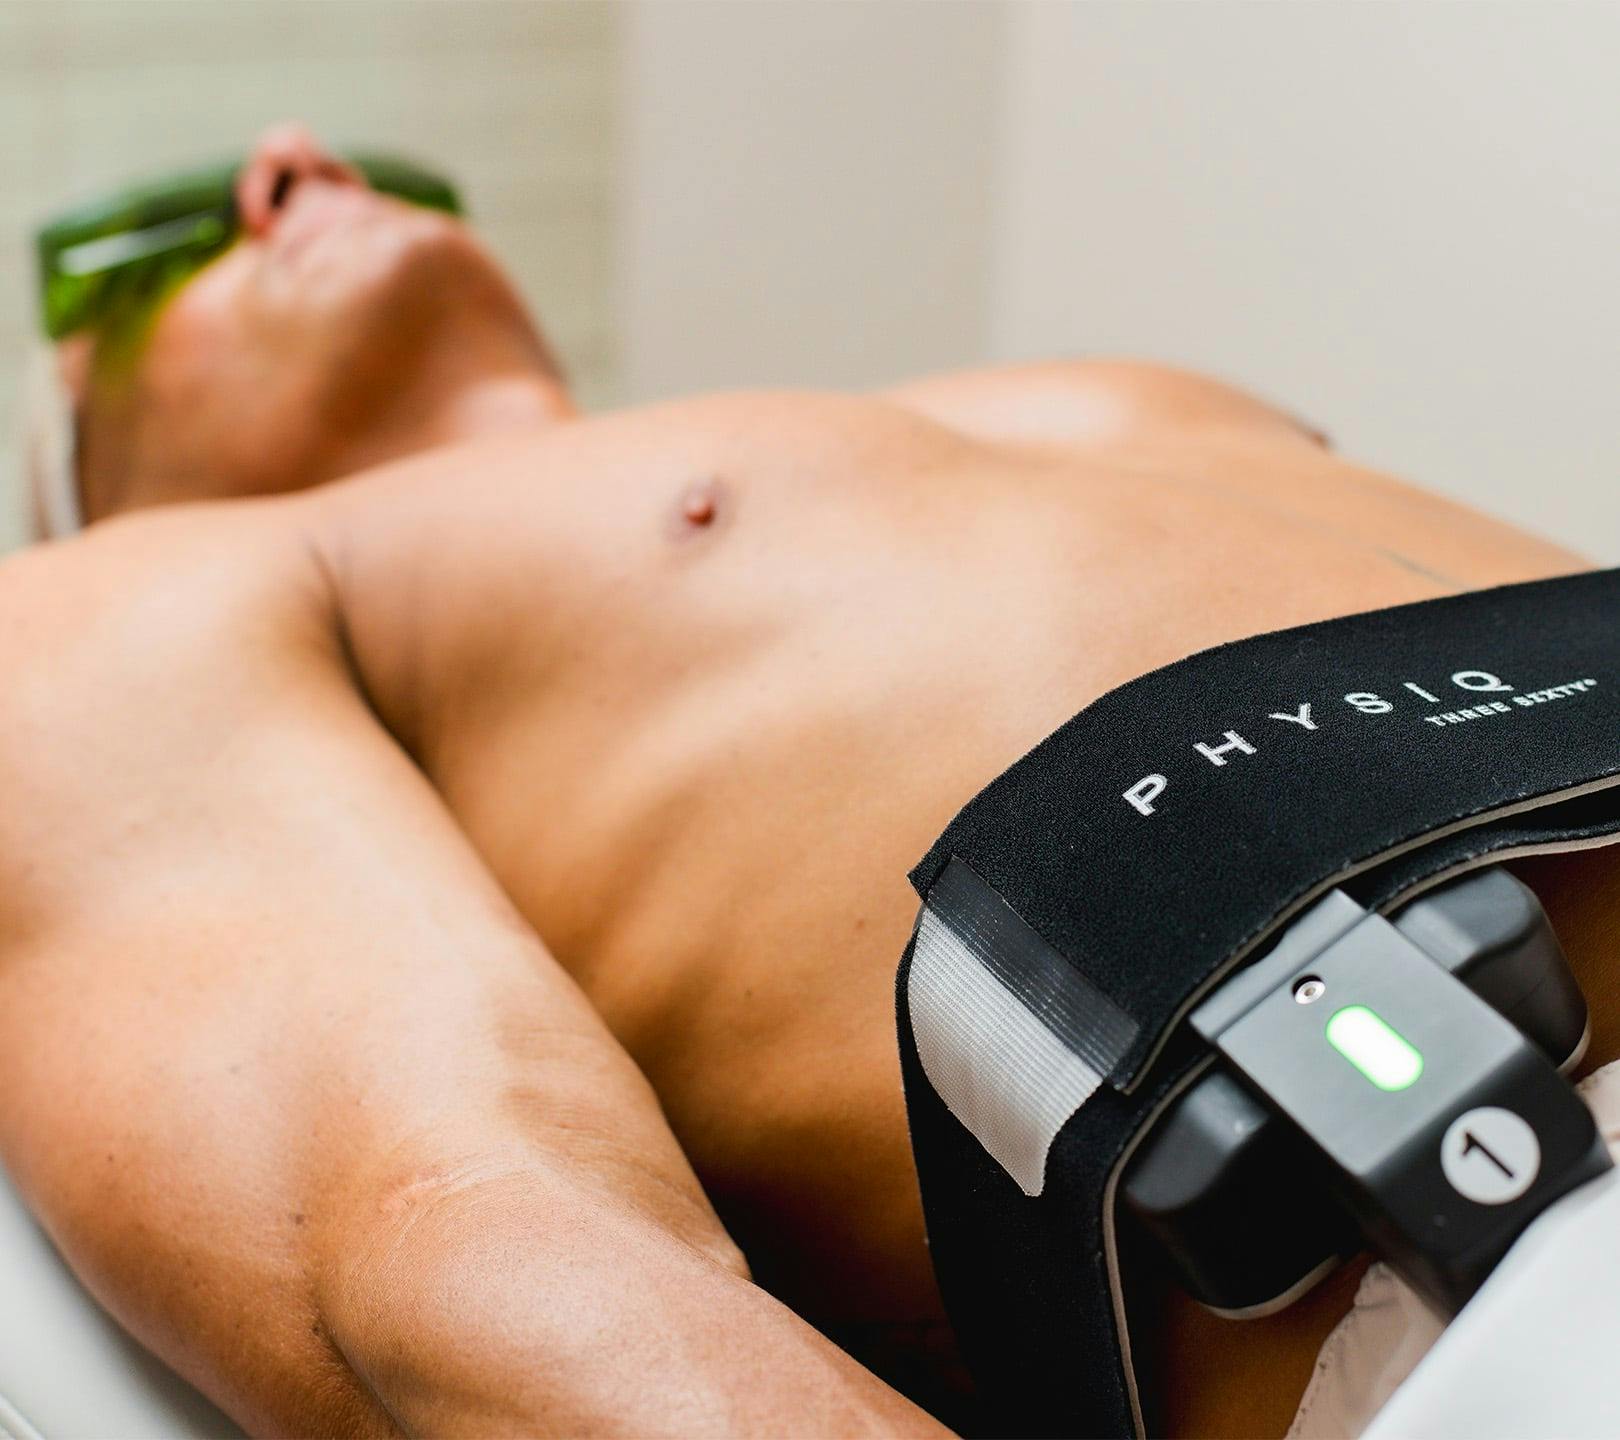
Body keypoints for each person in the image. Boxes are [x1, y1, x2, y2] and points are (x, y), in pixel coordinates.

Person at [3, 123, 1615, 1439]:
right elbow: (453, 1245)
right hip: (1522, 1231)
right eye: (145, 255)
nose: (296, 163)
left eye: (388, 163)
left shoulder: (1128, 400)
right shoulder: (122, 605)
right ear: (75, 464)